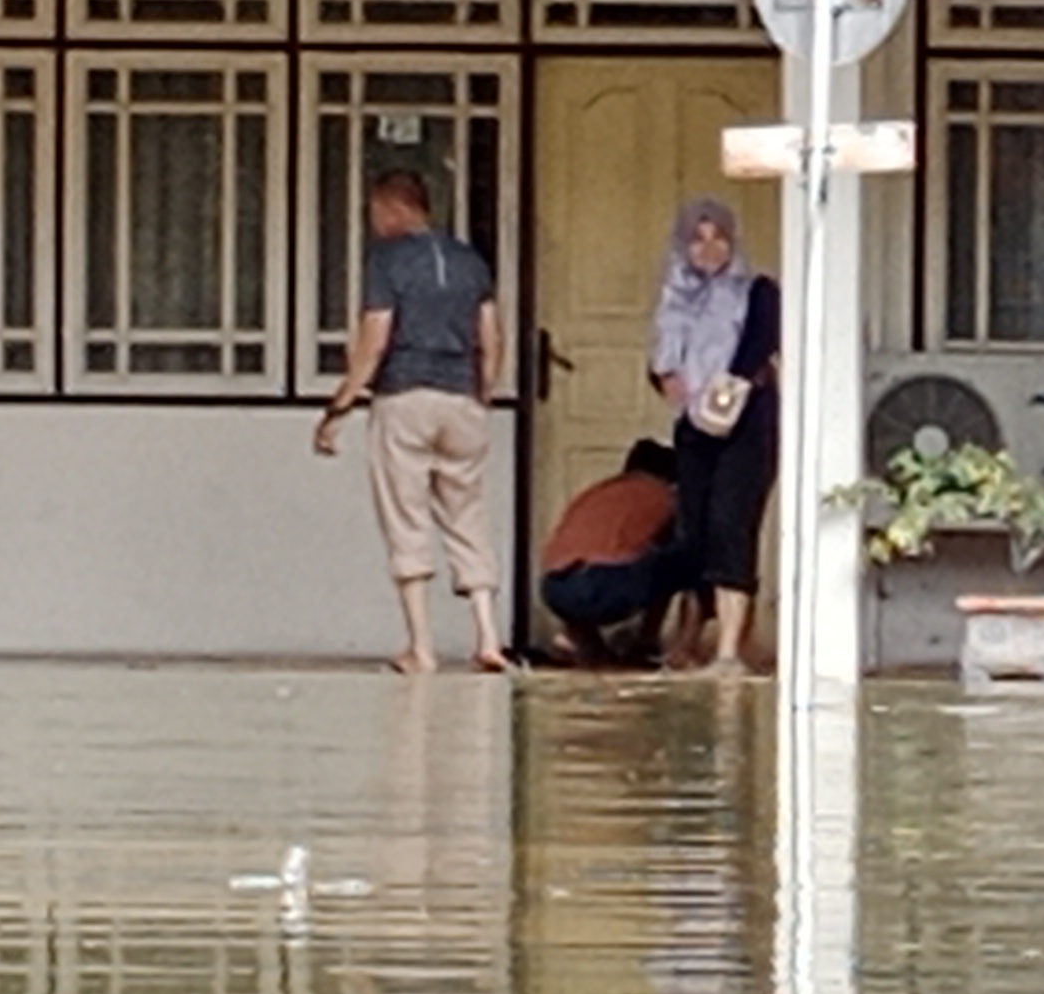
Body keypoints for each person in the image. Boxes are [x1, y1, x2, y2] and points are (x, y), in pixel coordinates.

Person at [313, 170, 507, 675]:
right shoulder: (470, 262)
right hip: (463, 400)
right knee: (466, 515)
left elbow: (375, 337)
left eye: (376, 211)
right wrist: (481, 393)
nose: (373, 222)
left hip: (406, 397)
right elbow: (492, 336)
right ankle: (488, 636)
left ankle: (420, 646)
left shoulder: (389, 260)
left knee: (406, 516)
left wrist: (340, 406)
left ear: (394, 208)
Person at [654, 196, 781, 676]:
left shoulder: (758, 290)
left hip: (747, 421)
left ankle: (728, 650)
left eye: (718, 237)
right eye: (698, 239)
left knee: (732, 527)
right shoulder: (676, 297)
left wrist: (725, 397)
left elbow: (757, 349)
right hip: (694, 426)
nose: (709, 248)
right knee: (695, 532)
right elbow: (663, 360)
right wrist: (666, 378)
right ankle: (686, 643)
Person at [538, 439, 688, 667]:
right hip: (607, 586)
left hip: (554, 587)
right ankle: (650, 643)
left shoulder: (596, 492)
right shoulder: (663, 495)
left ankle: (580, 639)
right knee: (683, 558)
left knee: (585, 563)